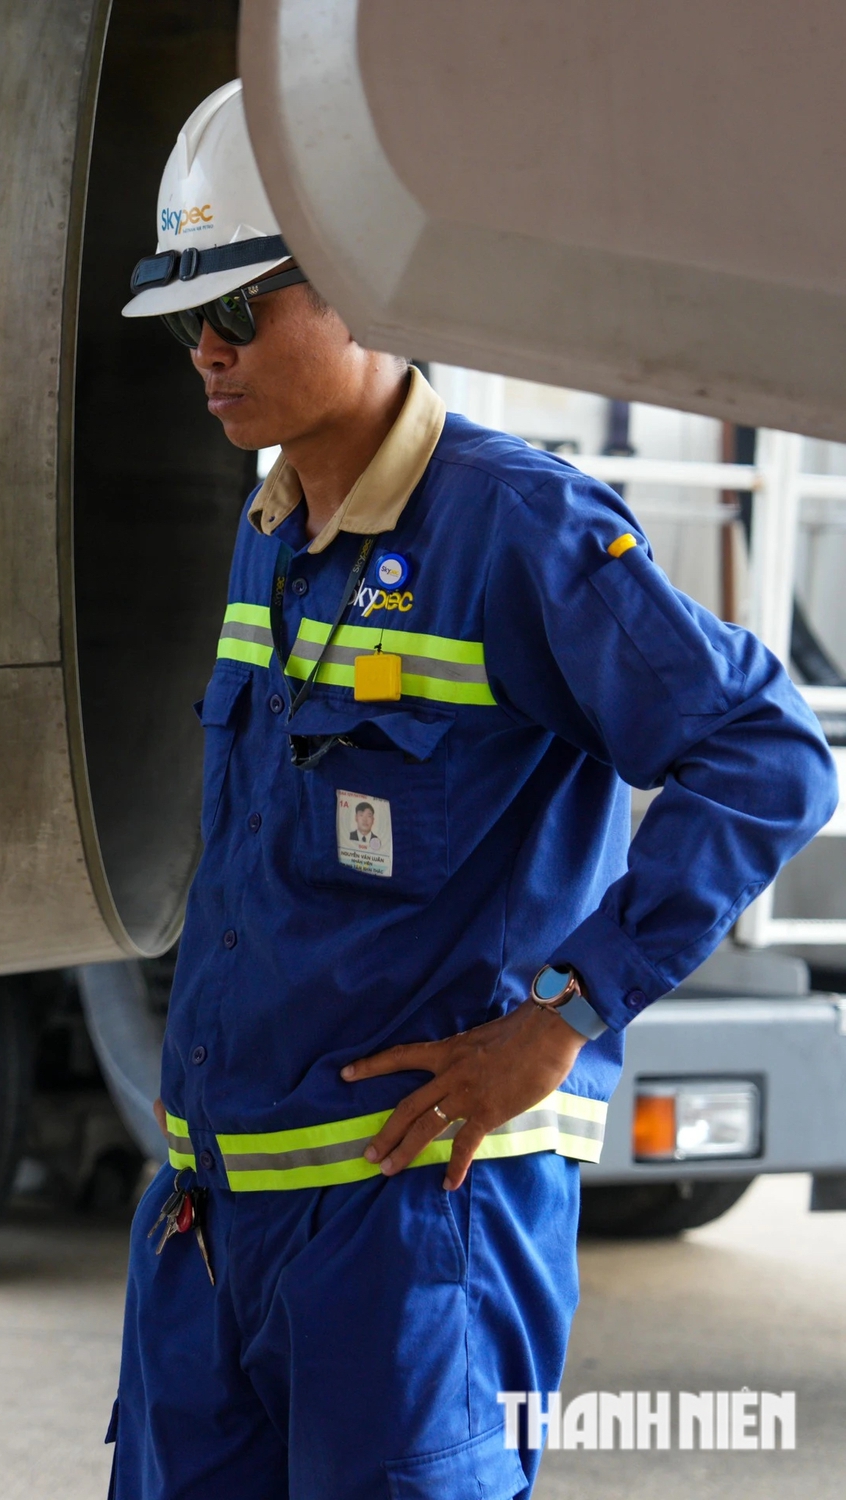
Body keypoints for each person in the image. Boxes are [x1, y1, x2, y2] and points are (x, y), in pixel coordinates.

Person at [107, 82, 836, 1499]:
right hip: (215, 1221)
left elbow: (768, 755)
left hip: (406, 1230)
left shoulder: (518, 527)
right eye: (185, 323)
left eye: (239, 312)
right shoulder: (275, 536)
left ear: (366, 283)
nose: (205, 351)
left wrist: (565, 1016)